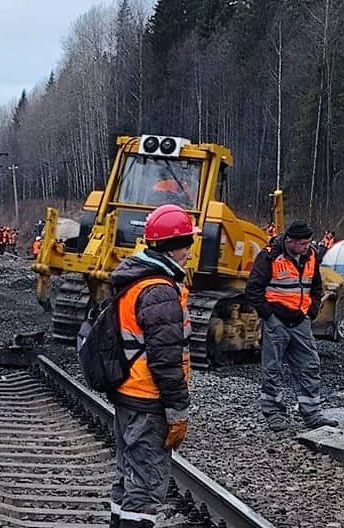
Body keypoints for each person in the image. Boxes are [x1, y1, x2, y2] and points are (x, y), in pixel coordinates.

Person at [107, 204, 194, 528]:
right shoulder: (159, 290)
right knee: (145, 484)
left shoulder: (138, 278)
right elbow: (166, 358)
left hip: (129, 392)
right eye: (188, 243)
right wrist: (177, 408)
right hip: (148, 397)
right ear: (176, 245)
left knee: (127, 474)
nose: (189, 250)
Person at [246, 220, 337, 431]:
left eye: (308, 242)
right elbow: (253, 289)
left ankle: (312, 412)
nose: (307, 246)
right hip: (276, 321)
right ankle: (273, 413)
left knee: (309, 365)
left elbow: (316, 286)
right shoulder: (269, 256)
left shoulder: (311, 256)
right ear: (290, 242)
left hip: (300, 321)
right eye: (303, 243)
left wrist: (311, 311)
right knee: (272, 368)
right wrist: (268, 315)